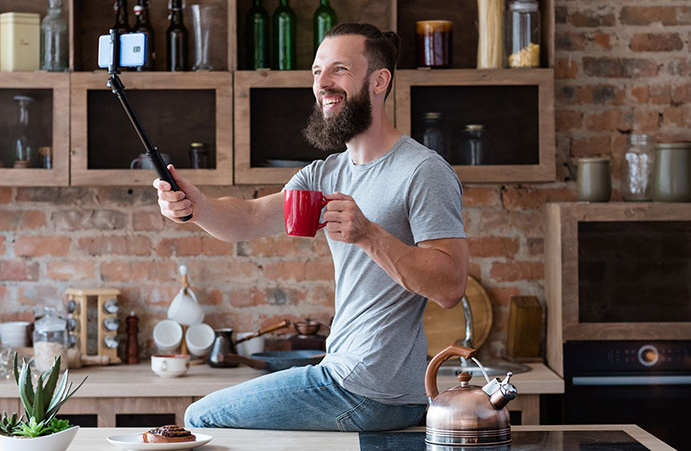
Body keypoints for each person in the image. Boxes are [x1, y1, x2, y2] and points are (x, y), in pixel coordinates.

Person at [154, 23, 468, 431]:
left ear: (379, 80)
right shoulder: (326, 174)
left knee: (201, 416)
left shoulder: (423, 170)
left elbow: (450, 286)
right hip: (351, 376)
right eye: (317, 72)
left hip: (371, 388)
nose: (323, 83)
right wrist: (196, 206)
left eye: (339, 70)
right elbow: (249, 217)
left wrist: (370, 235)